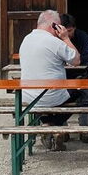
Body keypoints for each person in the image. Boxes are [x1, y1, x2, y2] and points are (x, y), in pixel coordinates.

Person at [19, 9, 80, 151]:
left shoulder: (26, 39)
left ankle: (47, 125)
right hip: (51, 96)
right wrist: (65, 38)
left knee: (49, 99)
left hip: (28, 96)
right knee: (81, 94)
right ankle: (53, 126)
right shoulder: (54, 42)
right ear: (54, 26)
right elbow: (76, 60)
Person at [58, 13, 88, 144]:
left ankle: (84, 129)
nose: (68, 34)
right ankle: (63, 130)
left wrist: (74, 62)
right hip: (62, 76)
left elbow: (87, 57)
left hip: (80, 74)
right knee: (59, 98)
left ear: (74, 28)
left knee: (85, 96)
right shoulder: (56, 39)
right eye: (66, 31)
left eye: (70, 31)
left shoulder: (82, 36)